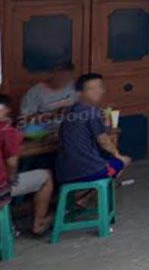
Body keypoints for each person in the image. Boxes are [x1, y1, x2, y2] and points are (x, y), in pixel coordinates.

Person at [55, 74, 130, 185]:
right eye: (91, 89)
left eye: (99, 87)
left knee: (105, 158)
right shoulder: (91, 112)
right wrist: (118, 155)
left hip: (64, 172)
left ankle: (88, 193)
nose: (97, 91)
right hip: (88, 171)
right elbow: (104, 141)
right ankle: (94, 192)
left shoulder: (70, 110)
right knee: (125, 160)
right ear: (80, 93)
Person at [0, 93, 54, 236]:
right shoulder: (6, 130)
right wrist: (12, 177)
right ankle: (38, 223)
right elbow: (12, 163)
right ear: (5, 109)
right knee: (46, 176)